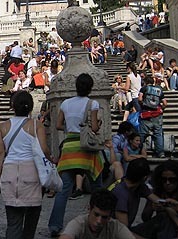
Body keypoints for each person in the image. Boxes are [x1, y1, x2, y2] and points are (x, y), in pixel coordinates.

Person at [48, 74, 104, 237]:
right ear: (90, 87)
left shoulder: (66, 103)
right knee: (97, 187)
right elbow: (93, 128)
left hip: (69, 147)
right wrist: (97, 124)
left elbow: (58, 125)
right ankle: (100, 221)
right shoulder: (92, 103)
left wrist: (70, 128)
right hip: (86, 147)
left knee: (64, 189)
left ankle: (54, 226)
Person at [0, 91, 53, 239]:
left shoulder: (3, 127)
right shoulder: (36, 125)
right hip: (31, 173)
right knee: (31, 219)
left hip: (9, 174)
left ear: (13, 106)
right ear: (30, 107)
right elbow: (44, 149)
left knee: (13, 222)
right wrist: (52, 160)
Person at [132, 160, 178, 239]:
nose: (167, 183)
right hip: (160, 226)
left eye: (172, 180)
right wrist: (151, 207)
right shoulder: (157, 192)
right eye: (164, 180)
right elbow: (145, 217)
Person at [59, 189, 135, 239]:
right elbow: (66, 236)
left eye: (104, 217)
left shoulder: (115, 227)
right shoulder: (78, 224)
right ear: (89, 209)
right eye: (96, 214)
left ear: (110, 216)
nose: (99, 221)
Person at [109, 158, 159, 228]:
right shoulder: (120, 193)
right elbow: (123, 228)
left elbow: (156, 199)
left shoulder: (139, 186)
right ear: (144, 178)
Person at [138, 76, 167, 158]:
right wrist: (161, 109)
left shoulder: (144, 88)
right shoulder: (159, 90)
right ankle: (161, 153)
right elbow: (165, 103)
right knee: (158, 134)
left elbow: (140, 99)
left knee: (142, 134)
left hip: (146, 113)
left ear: (145, 82)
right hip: (157, 115)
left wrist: (142, 105)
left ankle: (138, 150)